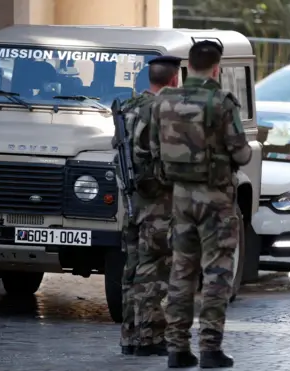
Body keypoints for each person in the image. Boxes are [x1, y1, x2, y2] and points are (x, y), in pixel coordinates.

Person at [149, 40, 252, 369]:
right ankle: (210, 348)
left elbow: (153, 148)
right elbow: (241, 153)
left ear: (187, 67)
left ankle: (176, 348)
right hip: (215, 199)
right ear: (216, 68)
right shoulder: (221, 102)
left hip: (180, 195)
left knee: (181, 270)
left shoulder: (163, 101)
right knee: (217, 271)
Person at [114, 55, 181, 356]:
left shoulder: (128, 108)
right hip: (157, 203)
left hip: (131, 203)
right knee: (154, 272)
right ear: (174, 79)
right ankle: (150, 338)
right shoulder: (162, 112)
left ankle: (129, 337)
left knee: (132, 269)